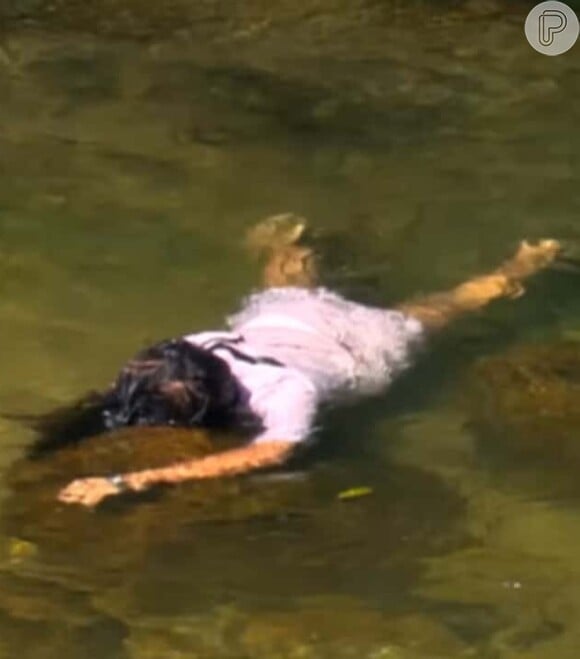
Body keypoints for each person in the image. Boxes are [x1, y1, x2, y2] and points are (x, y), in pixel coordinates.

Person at [54, 214, 561, 507]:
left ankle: (521, 265)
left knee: (449, 305)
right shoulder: (191, 349)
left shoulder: (287, 391)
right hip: (287, 321)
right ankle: (287, 245)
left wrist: (134, 479)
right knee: (287, 287)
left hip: (368, 344)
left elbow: (270, 454)